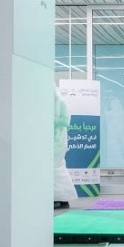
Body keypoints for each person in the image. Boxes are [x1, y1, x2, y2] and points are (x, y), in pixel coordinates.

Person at [53, 81, 77, 209]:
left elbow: (65, 121)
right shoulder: (54, 102)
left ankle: (61, 198)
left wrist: (52, 120)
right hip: (53, 141)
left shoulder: (61, 102)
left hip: (57, 141)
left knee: (56, 169)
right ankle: (60, 198)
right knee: (56, 169)